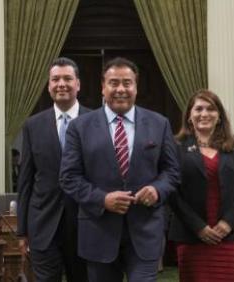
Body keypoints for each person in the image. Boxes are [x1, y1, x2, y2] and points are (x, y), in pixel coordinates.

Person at [59, 57, 179, 282]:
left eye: (127, 83)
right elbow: (69, 177)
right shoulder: (79, 127)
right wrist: (102, 199)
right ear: (102, 87)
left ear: (136, 87)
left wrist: (157, 190)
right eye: (114, 83)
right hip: (98, 232)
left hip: (145, 232)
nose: (121, 89)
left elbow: (172, 172)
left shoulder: (159, 123)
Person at [168, 89, 234, 282]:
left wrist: (228, 222)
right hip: (192, 236)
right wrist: (198, 227)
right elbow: (172, 192)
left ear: (219, 116)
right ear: (189, 116)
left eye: (211, 109)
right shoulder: (175, 146)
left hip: (229, 236)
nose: (204, 114)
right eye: (198, 109)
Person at [17, 57, 89, 282]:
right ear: (48, 86)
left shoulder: (96, 121)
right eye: (55, 79)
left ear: (78, 84)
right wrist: (22, 230)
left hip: (85, 224)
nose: (61, 84)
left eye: (68, 78)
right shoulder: (33, 125)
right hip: (43, 225)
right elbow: (26, 180)